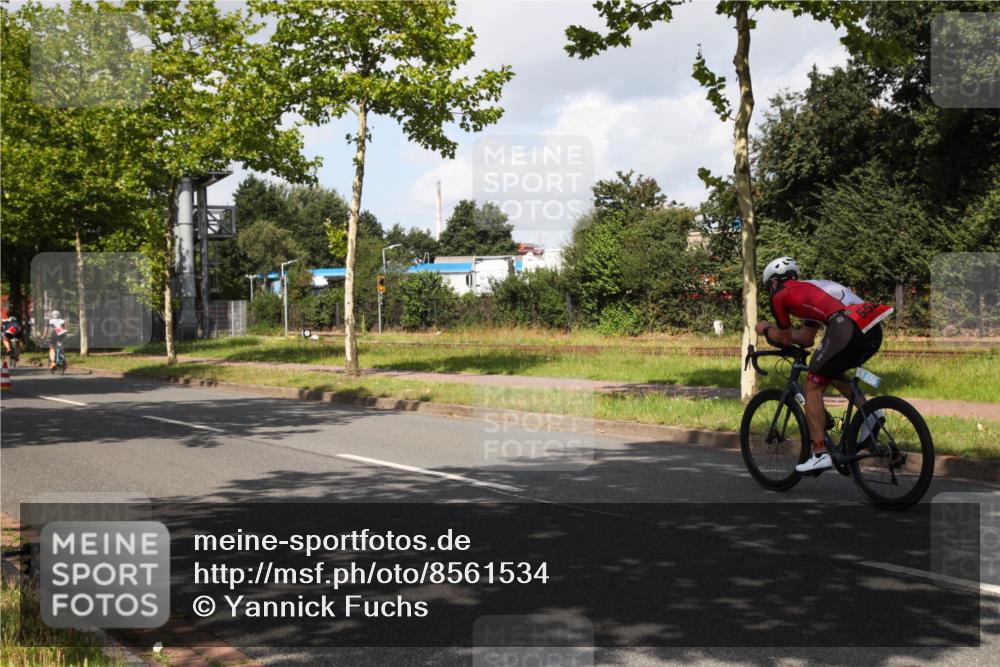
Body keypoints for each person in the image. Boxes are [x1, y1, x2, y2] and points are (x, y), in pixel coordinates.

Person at [754, 257, 893, 473]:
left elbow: (784, 337)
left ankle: (819, 454)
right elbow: (807, 338)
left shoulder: (780, 294)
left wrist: (765, 329)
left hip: (844, 326)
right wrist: (785, 335)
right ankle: (871, 415)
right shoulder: (813, 289)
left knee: (812, 386)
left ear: (773, 282)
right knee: (833, 371)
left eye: (768, 286)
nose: (770, 290)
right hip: (872, 327)